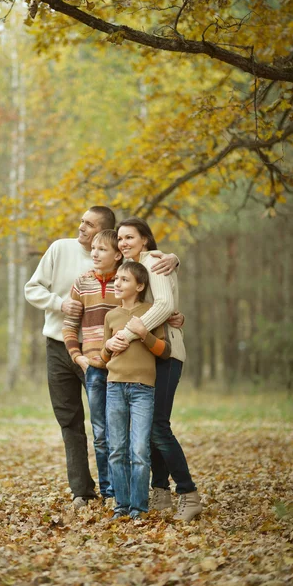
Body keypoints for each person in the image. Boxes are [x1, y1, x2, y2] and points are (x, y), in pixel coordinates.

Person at [24, 207, 178, 510]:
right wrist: (60, 306)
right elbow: (33, 289)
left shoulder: (121, 261)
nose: (82, 228)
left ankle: (124, 491)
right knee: (70, 420)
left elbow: (147, 273)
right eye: (81, 221)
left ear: (107, 237)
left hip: (108, 356)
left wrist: (174, 260)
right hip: (63, 347)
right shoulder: (62, 250)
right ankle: (82, 490)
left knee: (114, 428)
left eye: (90, 225)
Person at [107, 217, 202, 522]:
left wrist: (127, 335)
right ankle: (160, 491)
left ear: (145, 239)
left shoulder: (155, 262)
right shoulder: (139, 267)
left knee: (158, 426)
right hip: (150, 354)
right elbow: (163, 308)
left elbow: (162, 306)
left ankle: (188, 494)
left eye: (129, 237)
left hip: (167, 353)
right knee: (150, 428)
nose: (123, 243)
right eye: (120, 238)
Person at [101, 261, 171, 519]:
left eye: (124, 279)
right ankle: (121, 506)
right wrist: (108, 346)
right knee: (117, 449)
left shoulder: (152, 311)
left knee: (139, 450)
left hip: (143, 389)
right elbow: (104, 357)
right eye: (116, 279)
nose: (117, 283)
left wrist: (144, 334)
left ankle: (139, 509)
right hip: (115, 387)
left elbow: (164, 351)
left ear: (140, 286)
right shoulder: (111, 316)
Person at [62, 229, 122, 503]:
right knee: (100, 433)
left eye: (102, 250)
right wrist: (78, 357)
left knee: (123, 432)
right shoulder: (81, 283)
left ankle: (127, 490)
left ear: (118, 254)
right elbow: (70, 325)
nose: (94, 254)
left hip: (123, 369)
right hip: (95, 368)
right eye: (93, 249)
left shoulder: (125, 282)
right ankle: (109, 492)